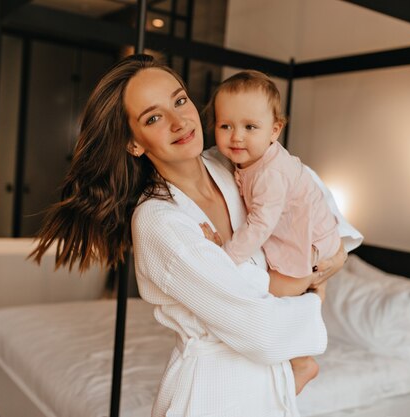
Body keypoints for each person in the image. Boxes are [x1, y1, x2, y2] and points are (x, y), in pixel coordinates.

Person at [31, 54, 361, 417]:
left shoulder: (231, 162)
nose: (179, 121)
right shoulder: (159, 221)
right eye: (154, 118)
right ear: (134, 143)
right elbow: (262, 331)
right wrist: (315, 285)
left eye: (180, 100)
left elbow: (310, 192)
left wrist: (339, 252)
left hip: (270, 389)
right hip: (213, 395)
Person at [200, 69, 344, 395]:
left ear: (274, 130)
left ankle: (303, 360)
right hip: (305, 237)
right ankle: (309, 300)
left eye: (250, 127)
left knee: (269, 293)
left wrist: (225, 258)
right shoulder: (246, 161)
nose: (236, 136)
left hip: (312, 247)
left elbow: (260, 225)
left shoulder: (271, 174)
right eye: (226, 126)